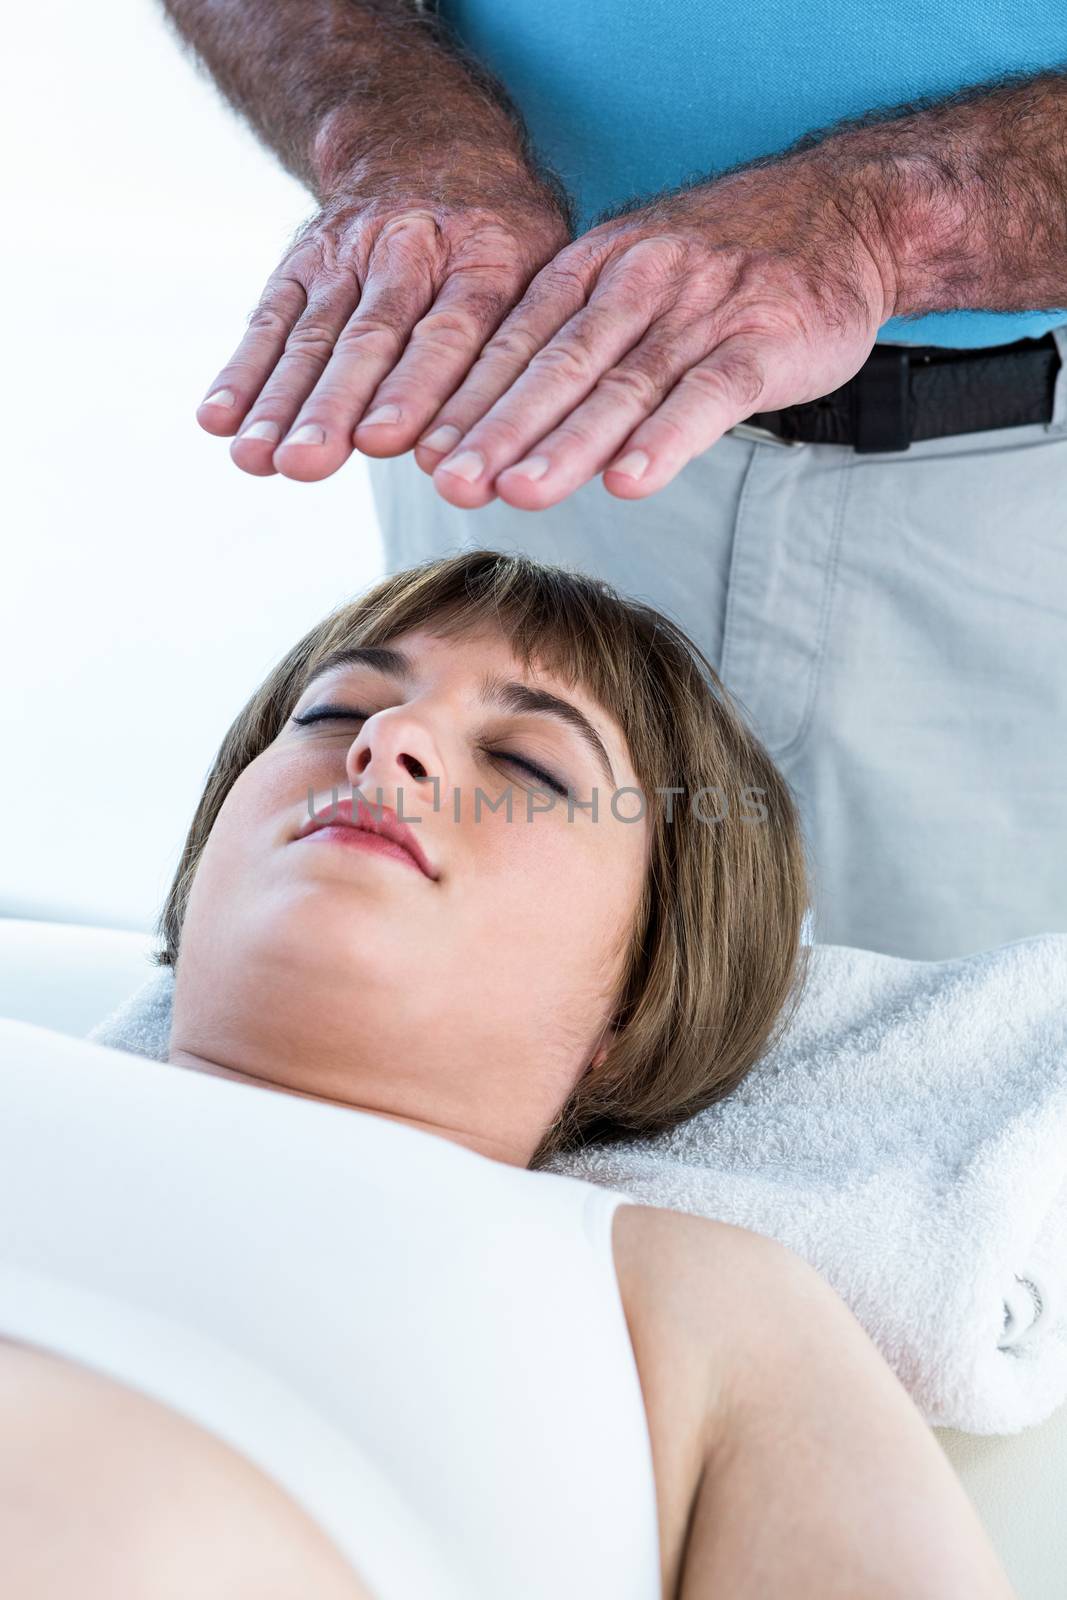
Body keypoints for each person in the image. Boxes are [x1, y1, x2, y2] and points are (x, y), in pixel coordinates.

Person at [0, 552, 1017, 1598]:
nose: (385, 740)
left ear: (639, 986)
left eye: (528, 764)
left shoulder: (693, 1298)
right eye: (330, 711)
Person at [163, 0, 1067, 963]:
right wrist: (396, 140)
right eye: (332, 711)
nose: (382, 746)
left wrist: (886, 221)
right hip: (521, 398)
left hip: (1012, 510)